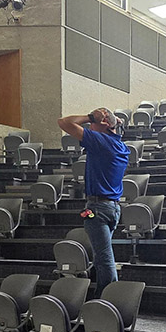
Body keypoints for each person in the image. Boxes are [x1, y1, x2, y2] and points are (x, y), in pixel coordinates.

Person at [58, 108, 130, 296]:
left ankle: (107, 300)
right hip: (112, 208)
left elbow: (64, 122)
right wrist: (111, 122)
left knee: (104, 259)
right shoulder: (120, 146)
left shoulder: (101, 141)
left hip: (98, 209)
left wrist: (90, 117)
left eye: (92, 123)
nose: (89, 126)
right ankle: (101, 297)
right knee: (100, 256)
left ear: (104, 124)